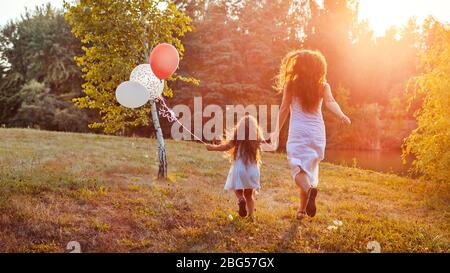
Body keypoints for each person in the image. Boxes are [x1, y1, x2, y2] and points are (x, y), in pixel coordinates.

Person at [263, 50, 351, 220]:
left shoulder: (291, 85)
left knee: (298, 169)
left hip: (299, 133)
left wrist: (275, 132)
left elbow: (283, 110)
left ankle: (310, 192)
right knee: (308, 172)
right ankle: (302, 210)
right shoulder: (323, 86)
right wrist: (341, 115)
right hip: (317, 133)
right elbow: (331, 102)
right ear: (319, 69)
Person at [206, 115, 263, 219]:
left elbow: (226, 147)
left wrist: (212, 148)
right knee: (249, 195)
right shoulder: (257, 139)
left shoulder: (237, 137)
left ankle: (241, 199)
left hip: (240, 168)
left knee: (237, 188)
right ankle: (251, 216)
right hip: (253, 170)